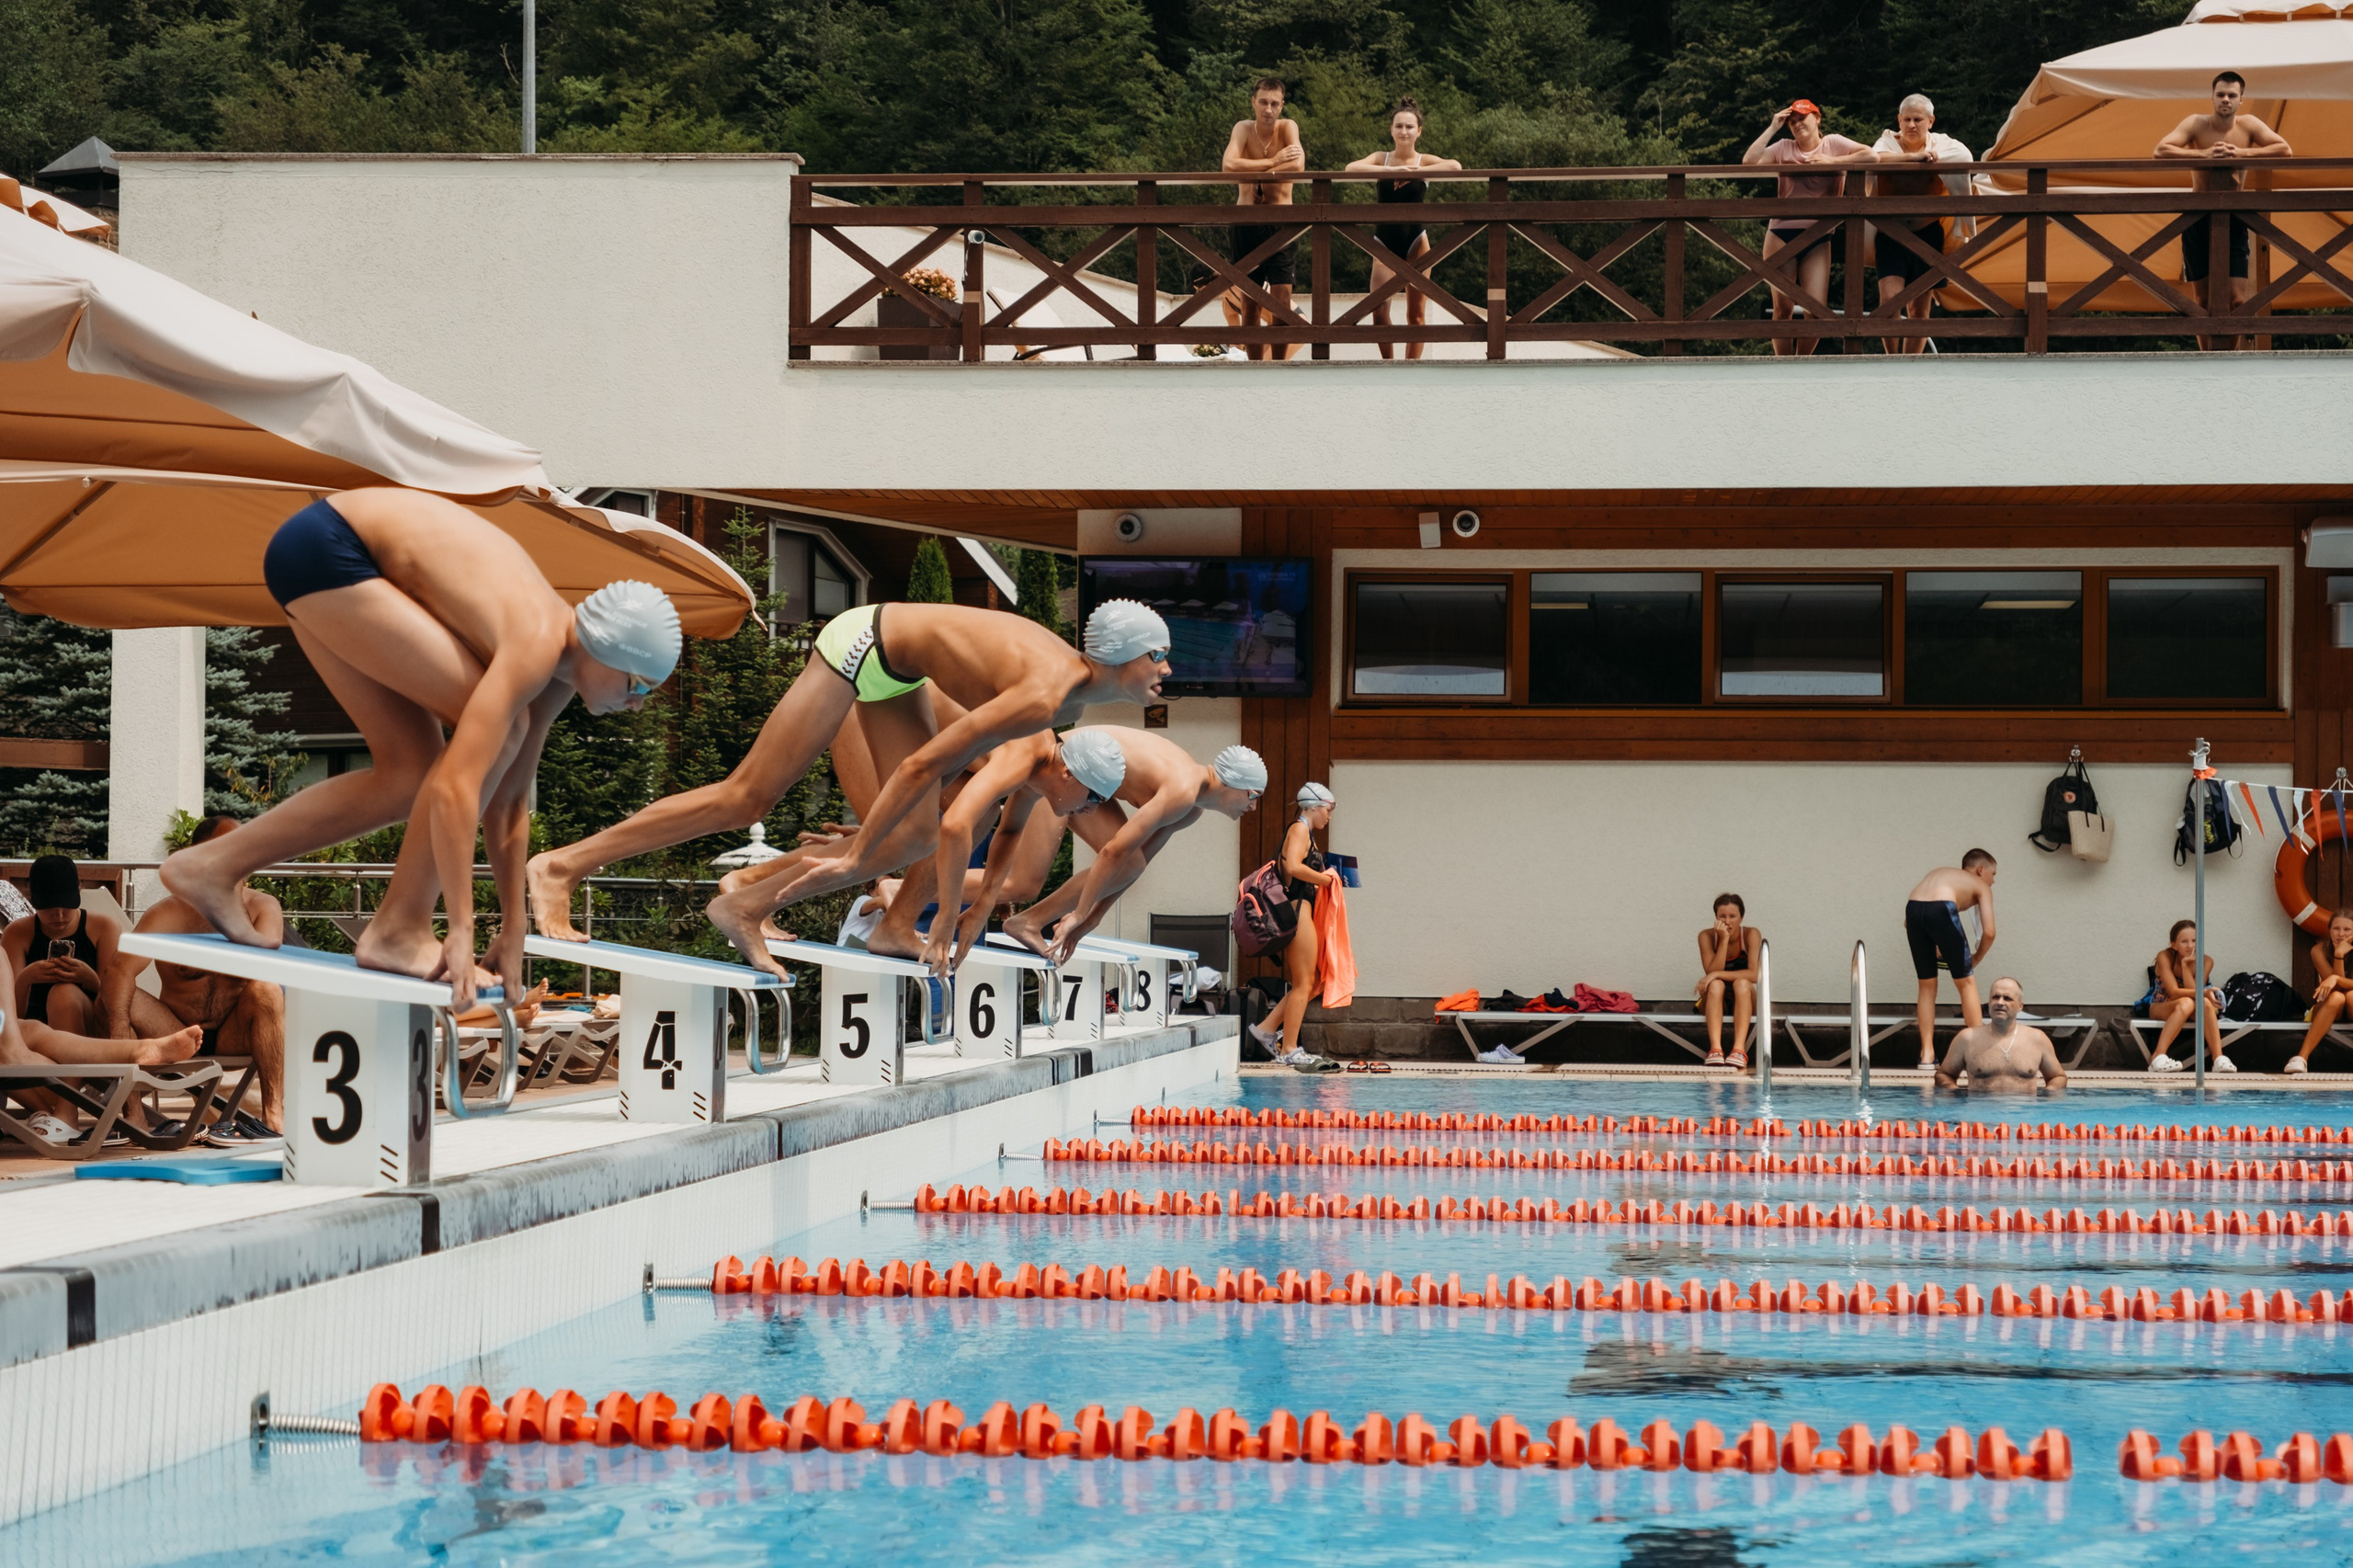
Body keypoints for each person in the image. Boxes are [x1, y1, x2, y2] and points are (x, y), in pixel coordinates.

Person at [159, 489, 676, 1011]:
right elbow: (458, 787)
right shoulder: (539, 639)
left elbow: (508, 802)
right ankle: (400, 928)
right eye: (639, 685)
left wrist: (515, 929)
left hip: (317, 551)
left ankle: (213, 866)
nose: (638, 704)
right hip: (335, 547)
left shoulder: (558, 674)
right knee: (496, 735)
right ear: (608, 650)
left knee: (411, 772)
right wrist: (460, 928)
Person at [532, 599, 1172, 979]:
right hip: (862, 643)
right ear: (1121, 656)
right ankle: (561, 866)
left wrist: (956, 907)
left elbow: (966, 803)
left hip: (900, 675)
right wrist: (861, 849)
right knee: (748, 796)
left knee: (917, 835)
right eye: (1158, 655)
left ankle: (746, 907)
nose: (1167, 669)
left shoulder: (1062, 709)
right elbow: (922, 768)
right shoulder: (1046, 697)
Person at [100, 815, 287, 1142]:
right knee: (118, 995)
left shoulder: (261, 907)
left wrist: (231, 907)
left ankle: (273, 1116)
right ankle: (134, 1112)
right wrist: (120, 1036)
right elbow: (120, 972)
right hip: (176, 1033)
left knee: (266, 989)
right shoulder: (167, 914)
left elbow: (264, 968)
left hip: (235, 1031)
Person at [1019, 740, 1268, 964]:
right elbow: (1113, 851)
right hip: (1064, 769)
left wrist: (1093, 919)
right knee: (1020, 885)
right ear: (1232, 781)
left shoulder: (1192, 808)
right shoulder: (1183, 789)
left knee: (1130, 864)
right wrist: (1079, 914)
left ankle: (1027, 921)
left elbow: (1135, 864)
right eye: (1253, 794)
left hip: (1081, 778)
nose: (1254, 806)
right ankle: (1026, 921)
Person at [2155, 71, 2291, 352]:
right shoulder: (2196, 123)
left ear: (2242, 99)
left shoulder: (2249, 124)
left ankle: (2229, 358)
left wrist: (2243, 153)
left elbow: (2284, 149)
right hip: (2198, 217)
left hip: (2234, 217)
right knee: (2202, 303)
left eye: (2232, 95)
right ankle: (2208, 358)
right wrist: (2202, 155)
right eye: (2220, 95)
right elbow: (2161, 150)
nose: (2226, 100)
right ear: (2212, 97)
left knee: (2237, 302)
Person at [1742, 100, 1877, 357]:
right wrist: (1773, 127)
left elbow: (1871, 155)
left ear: (1817, 118)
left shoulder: (1834, 144)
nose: (1797, 124)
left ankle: (1802, 362)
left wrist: (1832, 161)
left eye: (1802, 118)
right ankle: (1783, 363)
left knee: (1816, 310)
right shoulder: (1784, 147)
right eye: (1792, 122)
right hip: (1781, 233)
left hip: (1819, 235)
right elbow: (1749, 162)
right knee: (1783, 307)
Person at [1343, 98, 1461, 361]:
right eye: (1399, 126)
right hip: (1384, 242)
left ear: (1419, 131)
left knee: (1415, 313)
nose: (1404, 131)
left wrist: (1415, 171)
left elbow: (1455, 166)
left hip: (1416, 242)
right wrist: (1391, 170)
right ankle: (1389, 363)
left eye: (1409, 126)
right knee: (1378, 309)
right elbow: (1351, 168)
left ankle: (1412, 365)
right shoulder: (1380, 158)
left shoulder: (1424, 160)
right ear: (1391, 130)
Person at [1248, 782, 1344, 1070]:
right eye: (1328, 809)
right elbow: (1291, 867)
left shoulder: (1306, 832)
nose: (1329, 816)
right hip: (1297, 909)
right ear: (1314, 806)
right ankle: (1289, 1048)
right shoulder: (1300, 829)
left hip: (1302, 910)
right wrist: (1327, 879)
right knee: (1305, 981)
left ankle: (1266, 1029)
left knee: (1312, 981)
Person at [1869, 94, 1972, 355]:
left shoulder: (1944, 145)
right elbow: (1874, 158)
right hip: (1891, 235)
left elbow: (1965, 157)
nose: (1911, 125)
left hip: (1927, 234)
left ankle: (1910, 363)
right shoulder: (1888, 141)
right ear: (1899, 121)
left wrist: (1932, 156)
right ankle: (1892, 359)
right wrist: (1915, 159)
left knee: (1919, 310)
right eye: (1907, 120)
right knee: (1889, 302)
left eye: (1918, 119)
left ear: (1930, 121)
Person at [1222, 77, 1306, 361]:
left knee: (1282, 298)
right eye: (1263, 102)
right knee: (1250, 300)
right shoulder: (1243, 129)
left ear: (1282, 106)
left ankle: (1280, 363)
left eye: (1274, 103)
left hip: (1282, 222)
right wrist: (1271, 163)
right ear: (1253, 103)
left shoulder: (1288, 127)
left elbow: (1297, 164)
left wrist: (1258, 169)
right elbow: (1229, 165)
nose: (1268, 109)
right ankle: (1254, 364)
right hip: (1247, 222)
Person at [1904, 851, 1997, 1071]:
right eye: (1993, 874)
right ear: (1980, 870)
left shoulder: (1942, 874)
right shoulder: (1980, 885)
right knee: (1966, 983)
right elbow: (1990, 933)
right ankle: (1978, 1054)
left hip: (1913, 908)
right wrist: (1975, 959)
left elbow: (1911, 922)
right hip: (1942, 907)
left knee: (1926, 985)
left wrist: (1936, 942)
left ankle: (1927, 1056)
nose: (1994, 881)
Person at [4, 855, 117, 1035]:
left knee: (63, 994)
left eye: (66, 906)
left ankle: (66, 1059)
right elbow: (10, 1014)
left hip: (88, 1024)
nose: (59, 916)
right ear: (31, 897)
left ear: (79, 890)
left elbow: (115, 1005)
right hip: (33, 1029)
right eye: (48, 908)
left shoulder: (104, 928)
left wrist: (91, 980)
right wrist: (27, 978)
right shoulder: (17, 934)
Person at [1935, 976, 2067, 1092]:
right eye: (1995, 997)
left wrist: (2048, 1095)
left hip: (2023, 1117)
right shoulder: (1967, 1038)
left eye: (2007, 998)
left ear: (2020, 1006)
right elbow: (1944, 1075)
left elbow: (2058, 1077)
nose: (2000, 1003)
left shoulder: (2037, 1039)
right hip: (1980, 1117)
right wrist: (1955, 1094)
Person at [2144, 918, 2231, 1073]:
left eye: (2194, 940)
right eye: (2184, 941)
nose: (2190, 946)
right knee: (2187, 1002)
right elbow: (2174, 992)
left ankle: (2218, 1059)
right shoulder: (2165, 957)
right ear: (2174, 944)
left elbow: (2194, 994)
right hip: (2162, 1005)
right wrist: (2203, 990)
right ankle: (2158, 1056)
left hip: (2190, 1006)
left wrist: (2186, 966)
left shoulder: (2206, 961)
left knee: (2203, 1003)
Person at [1693, 892, 1762, 1071]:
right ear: (1716, 918)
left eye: (1733, 916)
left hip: (1745, 998)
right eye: (1722, 917)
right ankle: (1715, 1049)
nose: (1728, 921)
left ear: (1741, 917)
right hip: (1717, 1000)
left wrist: (1716, 975)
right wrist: (1723, 940)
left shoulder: (1751, 935)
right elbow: (1711, 973)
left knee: (1742, 983)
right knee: (1715, 985)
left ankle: (1739, 1050)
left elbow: (1754, 974)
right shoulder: (1706, 936)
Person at [2288, 908, 2353, 1074]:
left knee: (2351, 996)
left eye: (2347, 930)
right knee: (2338, 997)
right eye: (2336, 929)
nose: (2341, 934)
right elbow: (2335, 989)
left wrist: (2336, 978)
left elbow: (2338, 983)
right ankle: (2301, 1058)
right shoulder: (2318, 950)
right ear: (2329, 931)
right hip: (2328, 1007)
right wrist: (2338, 955)